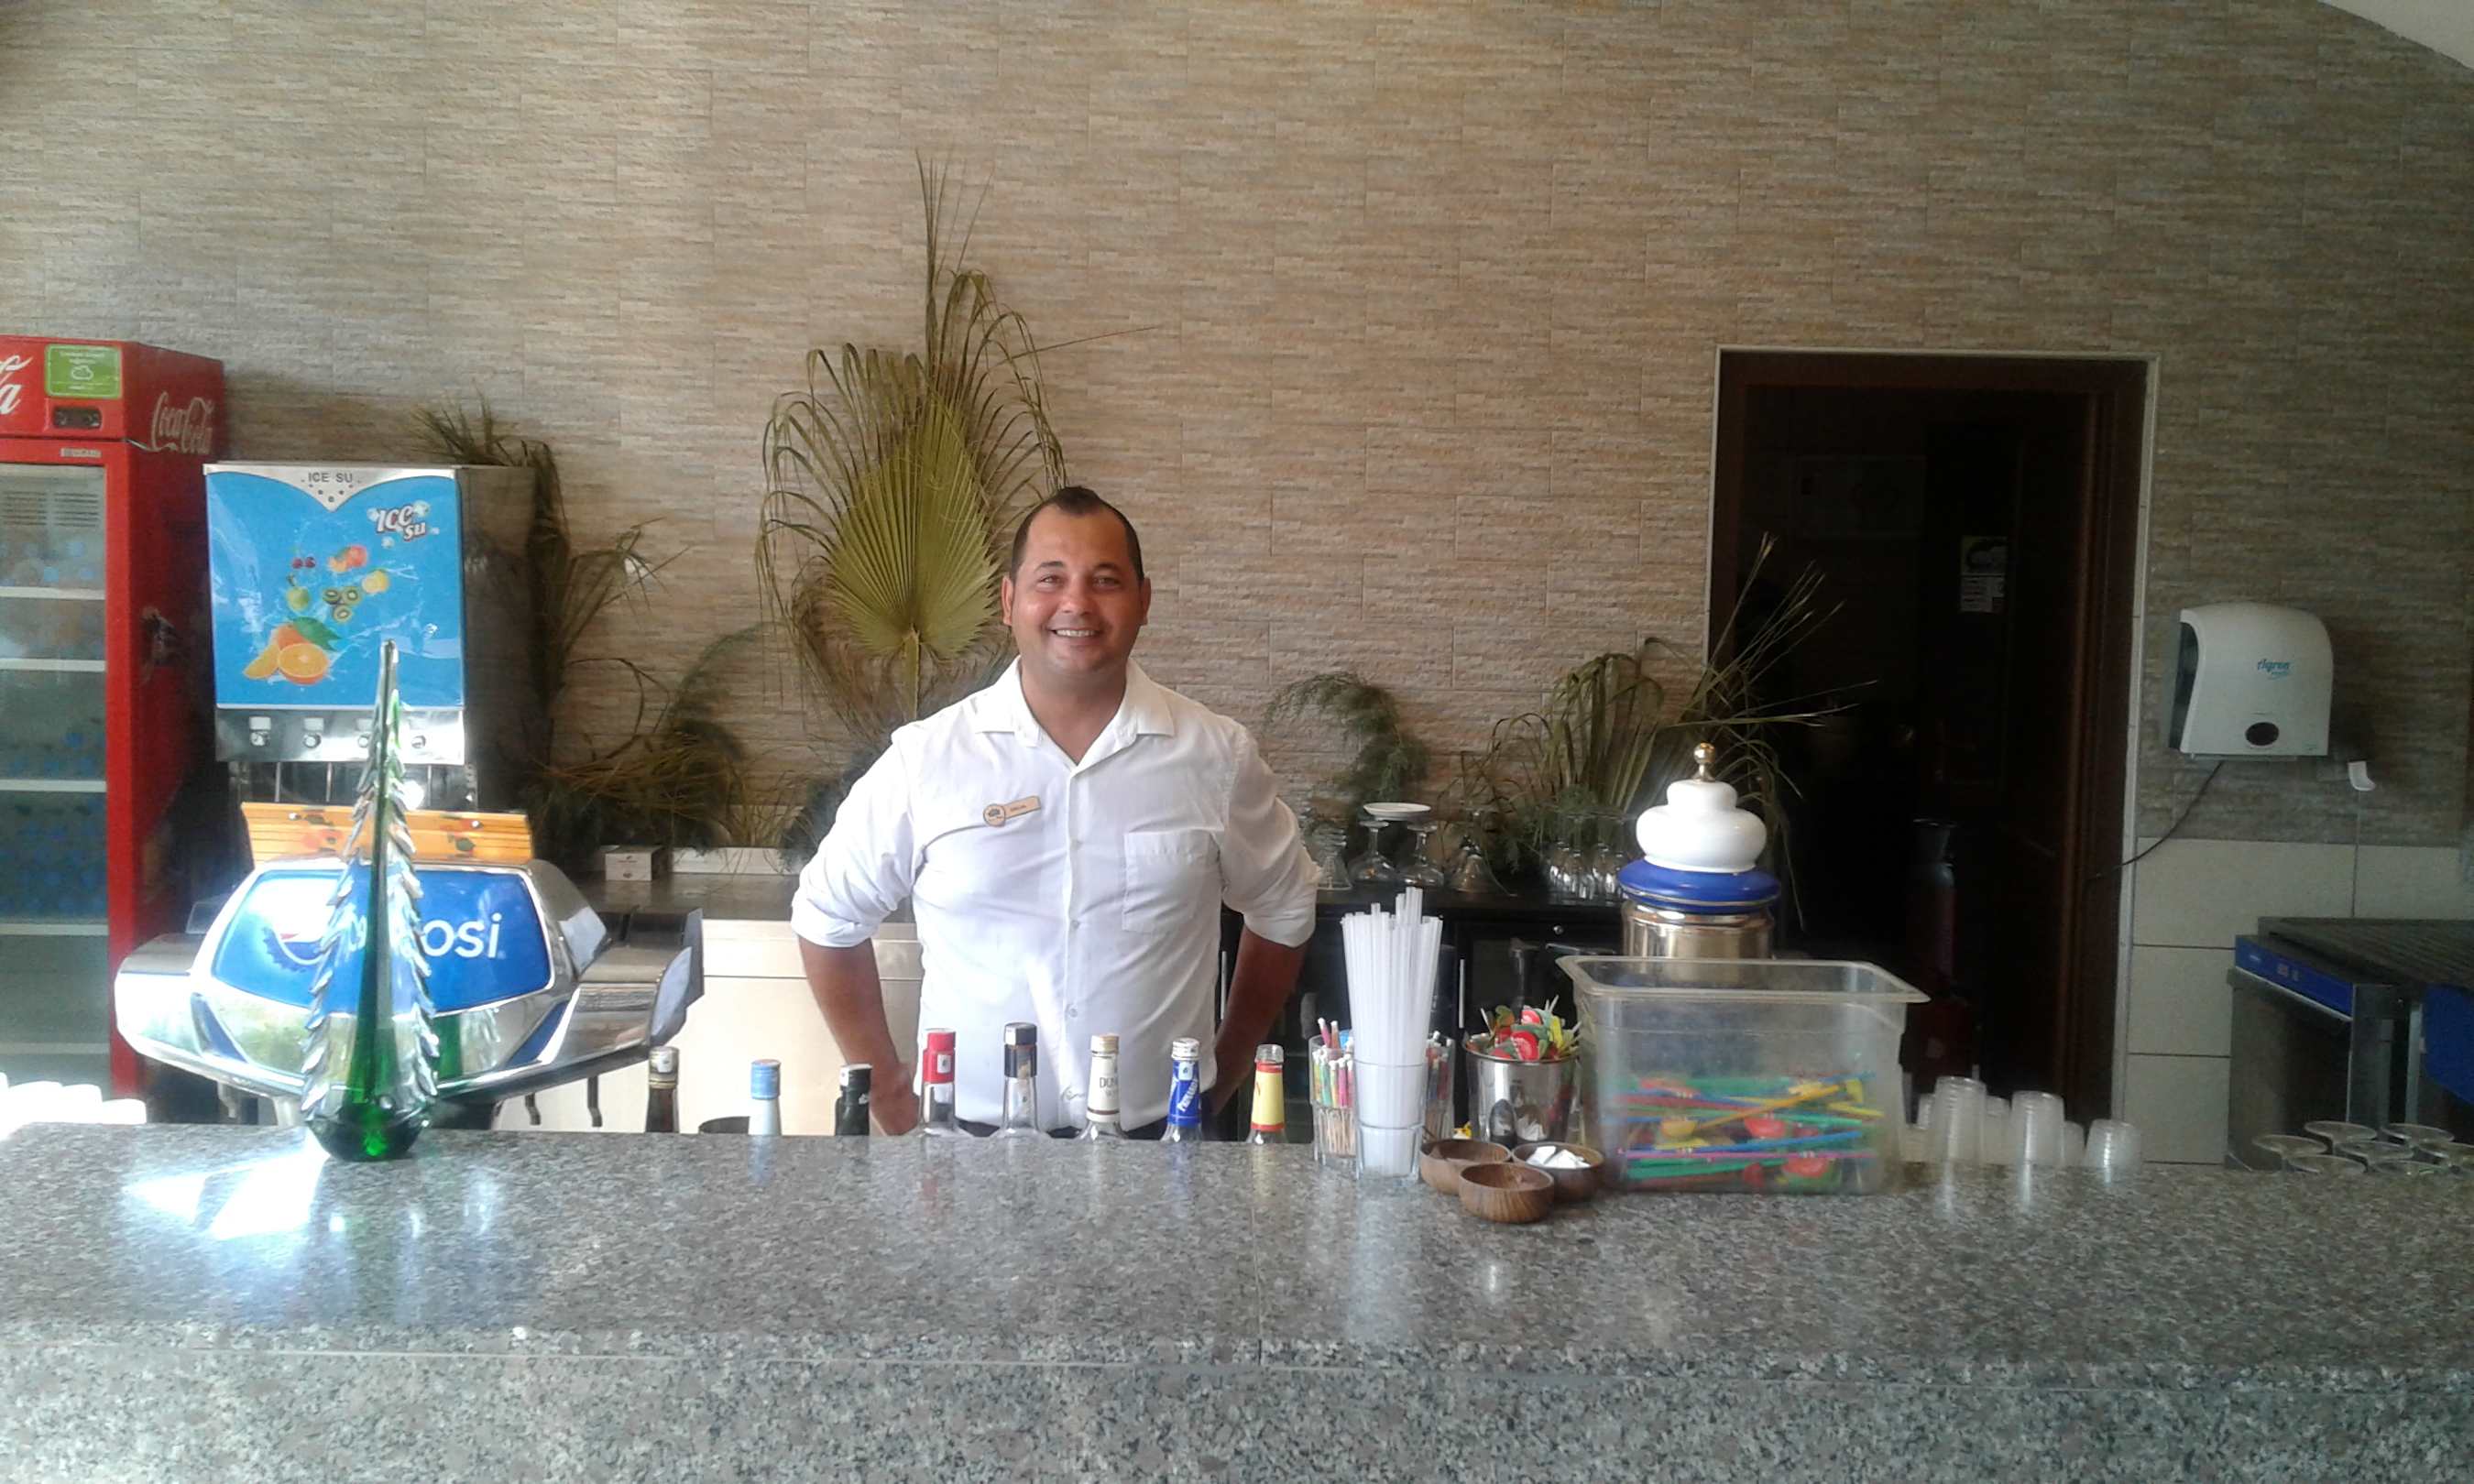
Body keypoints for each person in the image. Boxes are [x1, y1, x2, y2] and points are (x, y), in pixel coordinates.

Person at [792, 486, 1317, 1135]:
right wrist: (891, 1094)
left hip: (1161, 1143)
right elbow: (827, 915)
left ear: (1144, 601)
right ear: (1009, 601)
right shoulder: (928, 758)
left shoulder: (1215, 756)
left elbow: (1284, 906)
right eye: (1051, 578)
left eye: (1105, 580)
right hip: (965, 1146)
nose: (1077, 603)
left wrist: (1227, 1066)